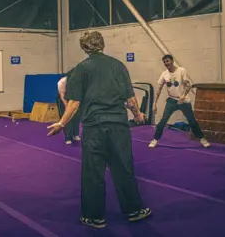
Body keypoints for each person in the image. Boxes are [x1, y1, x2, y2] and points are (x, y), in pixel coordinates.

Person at [47, 31, 152, 229]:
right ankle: (134, 210)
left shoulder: (80, 69)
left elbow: (74, 103)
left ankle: (94, 217)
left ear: (84, 48)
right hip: (119, 126)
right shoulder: (119, 66)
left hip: (95, 128)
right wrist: (138, 115)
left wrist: (61, 123)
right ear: (102, 44)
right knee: (124, 169)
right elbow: (130, 98)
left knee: (92, 173)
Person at [149, 54, 210, 148]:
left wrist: (183, 97)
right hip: (171, 100)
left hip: (183, 100)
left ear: (172, 61)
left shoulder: (181, 70)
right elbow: (159, 89)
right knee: (163, 120)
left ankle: (202, 138)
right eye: (164, 62)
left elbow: (188, 85)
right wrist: (154, 103)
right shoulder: (164, 74)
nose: (166, 63)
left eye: (168, 61)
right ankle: (155, 139)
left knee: (192, 121)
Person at [56, 68, 81, 144]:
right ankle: (68, 137)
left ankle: (75, 134)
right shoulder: (62, 81)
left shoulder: (79, 81)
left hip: (74, 99)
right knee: (67, 118)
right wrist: (67, 106)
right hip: (63, 99)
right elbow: (62, 95)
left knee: (76, 117)